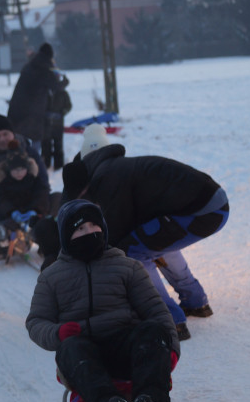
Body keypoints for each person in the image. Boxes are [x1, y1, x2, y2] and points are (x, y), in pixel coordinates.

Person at [26, 199, 180, 402]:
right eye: (80, 228)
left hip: (126, 348)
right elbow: (36, 322)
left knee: (153, 330)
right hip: (85, 356)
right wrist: (58, 333)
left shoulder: (127, 267)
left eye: (94, 226)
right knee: (70, 348)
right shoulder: (51, 277)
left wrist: (171, 348)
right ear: (66, 236)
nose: (90, 232)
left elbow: (156, 310)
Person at [59, 124, 228, 340]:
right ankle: (196, 302)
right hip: (214, 203)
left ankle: (168, 319)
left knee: (132, 251)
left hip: (200, 211)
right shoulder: (118, 167)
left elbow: (117, 229)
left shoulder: (106, 178)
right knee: (152, 243)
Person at [0, 113, 51, 264]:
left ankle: (50, 243)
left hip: (32, 208)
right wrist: (9, 214)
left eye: (5, 134)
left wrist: (35, 210)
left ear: (13, 134)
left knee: (56, 199)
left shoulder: (30, 152)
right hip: (5, 211)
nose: (2, 139)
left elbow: (42, 184)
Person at [6, 42, 66, 156]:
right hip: (33, 112)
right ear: (50, 56)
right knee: (35, 141)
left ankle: (17, 159)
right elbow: (56, 86)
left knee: (18, 139)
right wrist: (64, 82)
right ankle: (32, 161)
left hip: (17, 109)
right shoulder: (46, 69)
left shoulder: (29, 66)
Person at [41, 71, 71, 171]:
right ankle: (45, 165)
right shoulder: (43, 92)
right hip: (45, 124)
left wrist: (62, 113)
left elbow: (68, 106)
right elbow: (37, 106)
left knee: (58, 145)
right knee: (45, 145)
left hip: (58, 124)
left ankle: (59, 166)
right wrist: (44, 114)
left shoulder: (63, 93)